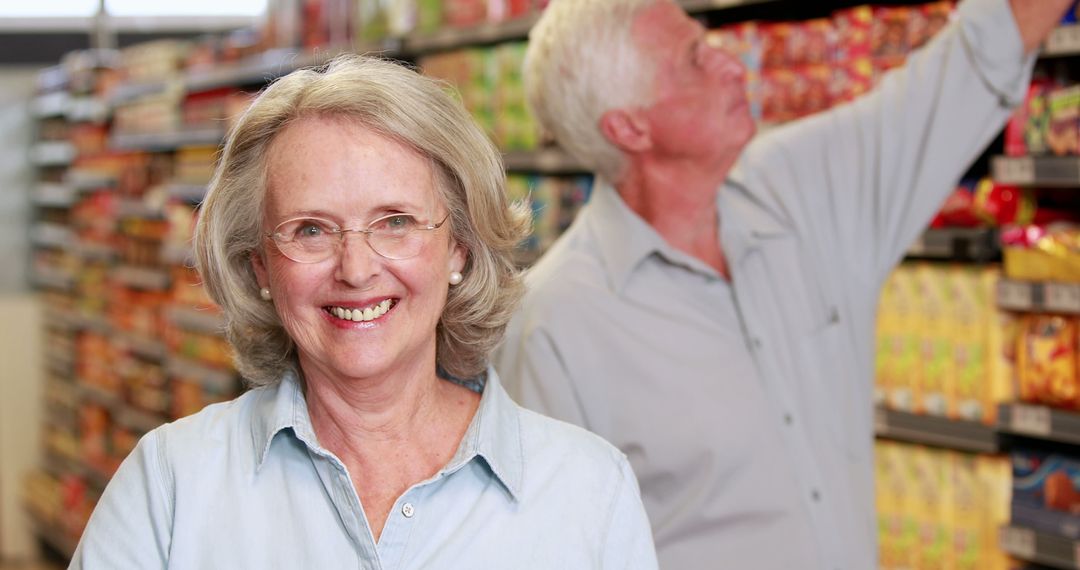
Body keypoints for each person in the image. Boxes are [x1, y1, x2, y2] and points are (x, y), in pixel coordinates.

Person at [495, 0, 1073, 568]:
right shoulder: (554, 324)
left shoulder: (800, 192)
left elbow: (971, 63)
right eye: (695, 57)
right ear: (629, 126)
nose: (731, 64)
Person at [70, 54, 658, 569]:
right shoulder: (171, 484)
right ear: (259, 267)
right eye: (310, 229)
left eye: (395, 222)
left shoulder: (589, 489)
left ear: (459, 245)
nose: (355, 268)